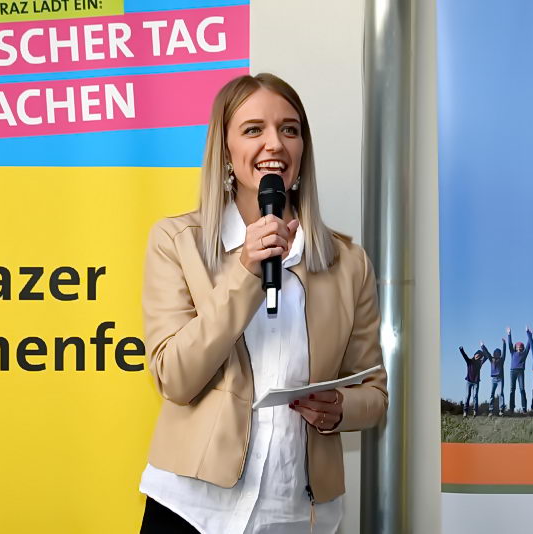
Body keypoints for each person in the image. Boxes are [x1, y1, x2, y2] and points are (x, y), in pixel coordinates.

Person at [138, 73, 388, 534]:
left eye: (289, 129)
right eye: (253, 129)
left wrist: (339, 408)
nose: (275, 143)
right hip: (194, 509)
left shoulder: (348, 263)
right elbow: (174, 377)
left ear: (303, 149)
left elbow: (374, 394)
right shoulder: (178, 242)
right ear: (226, 150)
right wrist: (246, 271)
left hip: (298, 514)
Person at [460, 344, 487, 417]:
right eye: (477, 354)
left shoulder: (480, 363)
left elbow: (486, 356)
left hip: (476, 382)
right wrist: (461, 350)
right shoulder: (469, 361)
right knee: (467, 396)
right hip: (469, 381)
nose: (478, 356)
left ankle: (475, 411)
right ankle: (465, 412)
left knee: (475, 396)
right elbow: (465, 356)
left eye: (479, 356)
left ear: (480, 357)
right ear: (475, 354)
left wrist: (482, 347)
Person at [507, 327, 530, 413]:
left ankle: (524, 408)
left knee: (522, 389)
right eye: (517, 346)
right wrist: (509, 334)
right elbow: (510, 344)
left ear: (522, 347)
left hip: (520, 372)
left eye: (520, 346)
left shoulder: (524, 353)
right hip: (512, 371)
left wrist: (529, 334)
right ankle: (511, 408)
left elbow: (528, 345)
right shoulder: (513, 353)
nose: (519, 347)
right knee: (512, 390)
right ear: (515, 347)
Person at [481, 339, 506, 416]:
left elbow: (504, 353)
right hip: (494, 379)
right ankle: (491, 410)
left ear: (500, 354)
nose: (497, 354)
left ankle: (501, 410)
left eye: (499, 353)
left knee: (501, 393)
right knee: (492, 394)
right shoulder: (491, 359)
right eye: (496, 353)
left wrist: (504, 344)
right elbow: (487, 352)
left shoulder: (501, 360)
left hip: (500, 379)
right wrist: (482, 346)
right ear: (494, 354)